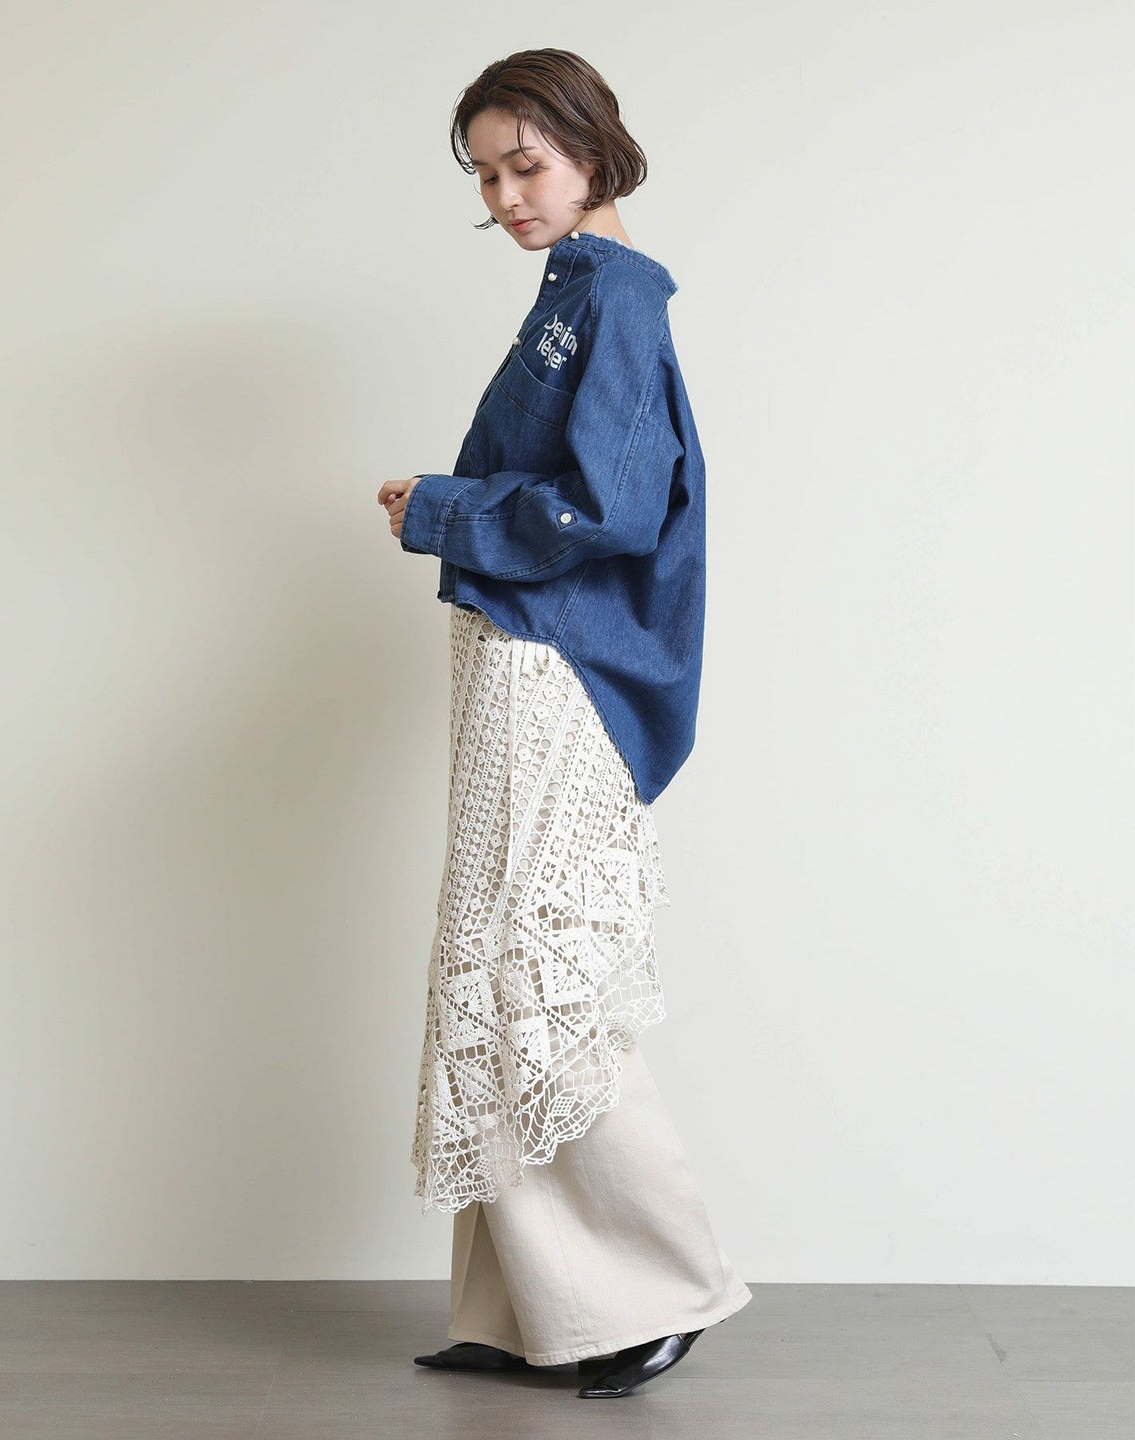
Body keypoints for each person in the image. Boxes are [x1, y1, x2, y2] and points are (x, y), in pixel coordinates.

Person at [377, 48, 753, 1400]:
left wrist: (438, 505)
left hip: (562, 669)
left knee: (542, 977)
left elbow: (613, 508)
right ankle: (532, 1308)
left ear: (593, 149)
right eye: (486, 176)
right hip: (519, 658)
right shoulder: (574, 290)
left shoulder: (617, 294)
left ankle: (661, 1288)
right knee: (489, 969)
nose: (506, 196)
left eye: (525, 164)